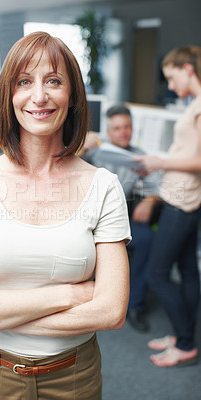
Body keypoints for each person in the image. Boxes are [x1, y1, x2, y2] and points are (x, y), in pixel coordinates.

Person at [0, 32, 131, 399]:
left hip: (74, 375)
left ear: (72, 95)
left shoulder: (104, 186)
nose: (40, 96)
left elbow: (111, 311)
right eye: (24, 82)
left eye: (54, 81)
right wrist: (73, 294)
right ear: (8, 96)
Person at [136, 45, 201, 367]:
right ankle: (183, 337)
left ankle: (185, 342)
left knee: (158, 275)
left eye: (172, 78)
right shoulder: (194, 105)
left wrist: (161, 161)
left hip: (182, 201)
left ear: (188, 68)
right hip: (185, 197)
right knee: (188, 270)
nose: (171, 86)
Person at [81, 104, 161, 332]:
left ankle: (134, 305)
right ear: (109, 130)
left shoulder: (137, 157)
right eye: (117, 128)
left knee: (147, 239)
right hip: (87, 219)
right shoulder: (94, 149)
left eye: (127, 127)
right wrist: (80, 147)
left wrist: (151, 198)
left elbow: (159, 184)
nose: (124, 132)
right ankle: (88, 301)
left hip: (119, 219)